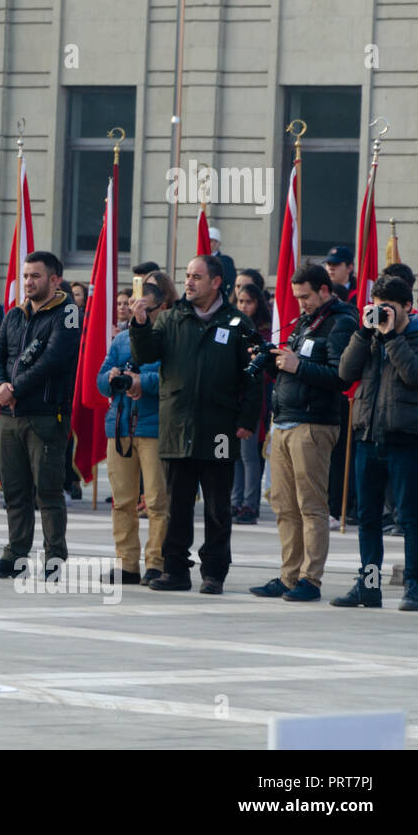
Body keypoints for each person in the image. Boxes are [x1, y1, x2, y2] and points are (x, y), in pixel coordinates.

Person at [128, 254, 261, 594]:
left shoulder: (236, 323)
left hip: (219, 428)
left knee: (218, 505)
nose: (188, 282)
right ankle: (175, 570)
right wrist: (140, 324)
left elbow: (253, 377)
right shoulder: (171, 319)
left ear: (216, 282)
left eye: (197, 276)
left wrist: (247, 420)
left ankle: (214, 572)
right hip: (178, 425)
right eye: (187, 276)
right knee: (177, 504)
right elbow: (145, 356)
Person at [246, 264, 356, 603]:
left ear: (324, 290)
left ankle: (311, 579)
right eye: (297, 298)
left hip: (313, 424)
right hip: (285, 421)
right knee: (283, 505)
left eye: (305, 297)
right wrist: (270, 361)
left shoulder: (341, 322)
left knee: (310, 506)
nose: (301, 304)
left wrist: (298, 365)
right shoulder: (306, 322)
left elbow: (341, 377)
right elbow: (291, 369)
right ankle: (288, 575)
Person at [0, 251, 81, 580]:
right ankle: (15, 554)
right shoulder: (14, 315)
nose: (28, 282)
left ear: (54, 280)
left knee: (48, 491)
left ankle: (55, 557)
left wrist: (15, 389)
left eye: (35, 276)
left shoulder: (67, 313)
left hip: (45, 416)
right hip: (10, 416)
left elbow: (53, 360)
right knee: (14, 490)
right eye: (25, 276)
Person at [333, 275, 418, 611]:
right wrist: (363, 333)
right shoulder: (369, 334)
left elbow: (414, 375)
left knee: (410, 518)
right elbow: (345, 371)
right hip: (367, 437)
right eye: (378, 305)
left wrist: (392, 337)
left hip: (405, 439)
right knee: (368, 518)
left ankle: (414, 587)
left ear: (407, 308)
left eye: (390, 308)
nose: (383, 312)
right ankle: (369, 587)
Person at [97, 273, 174, 586]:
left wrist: (144, 382)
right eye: (131, 307)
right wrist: (114, 376)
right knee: (122, 501)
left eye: (143, 307)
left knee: (156, 500)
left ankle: (156, 562)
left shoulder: (168, 336)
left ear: (159, 308)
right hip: (120, 425)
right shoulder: (119, 339)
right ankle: (127, 563)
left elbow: (171, 378)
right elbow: (101, 381)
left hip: (153, 426)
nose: (135, 312)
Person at [230, 283, 270, 525]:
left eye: (248, 301)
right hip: (232, 398)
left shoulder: (263, 332)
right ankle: (234, 501)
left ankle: (249, 504)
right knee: (231, 454)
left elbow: (264, 371)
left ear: (258, 304)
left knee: (248, 455)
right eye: (240, 301)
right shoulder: (233, 326)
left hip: (253, 400)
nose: (244, 306)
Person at [208, 227, 238, 301]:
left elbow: (232, 282)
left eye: (211, 241)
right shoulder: (199, 260)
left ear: (218, 244)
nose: (208, 244)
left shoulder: (226, 261)